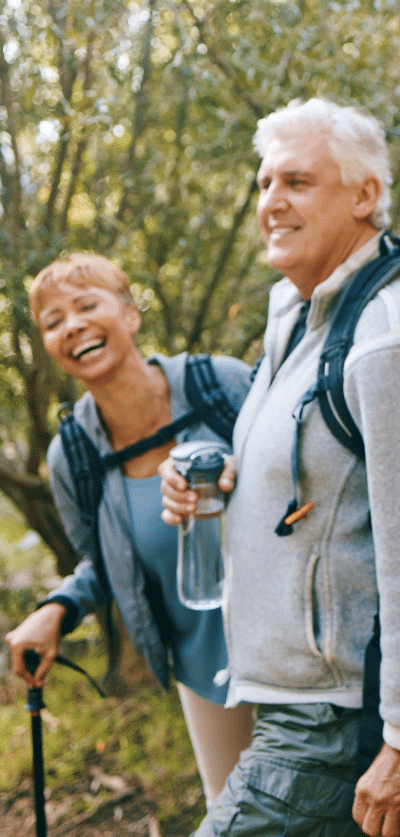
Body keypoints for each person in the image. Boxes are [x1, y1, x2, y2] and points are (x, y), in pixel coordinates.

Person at [159, 97, 400, 837]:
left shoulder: (394, 331)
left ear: (366, 195)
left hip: (331, 724)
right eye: (263, 184)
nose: (271, 202)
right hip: (289, 704)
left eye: (297, 182)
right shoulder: (302, 316)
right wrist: (224, 475)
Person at [4, 253, 254, 805]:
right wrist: (58, 608)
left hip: (296, 648)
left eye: (87, 306)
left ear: (131, 314)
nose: (72, 326)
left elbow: (307, 479)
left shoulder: (221, 384)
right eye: (53, 322)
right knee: (237, 817)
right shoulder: (73, 455)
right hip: (203, 671)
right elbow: (106, 562)